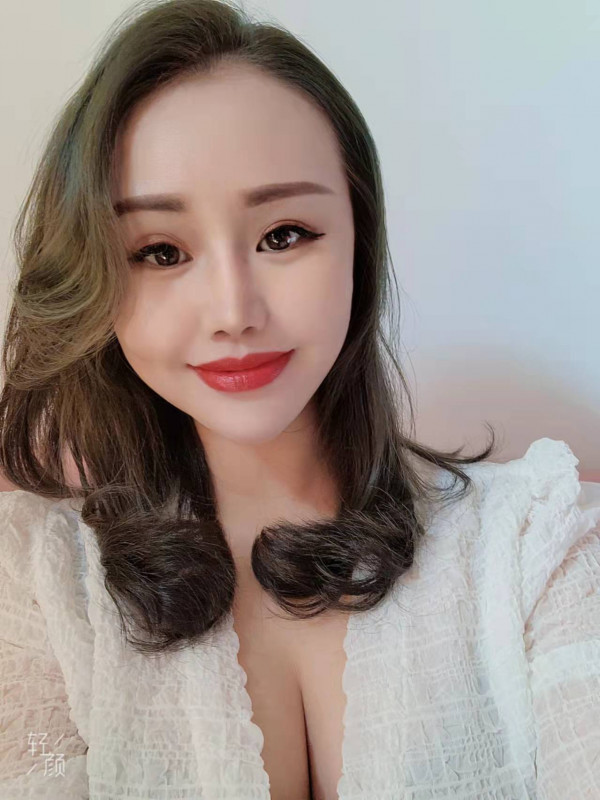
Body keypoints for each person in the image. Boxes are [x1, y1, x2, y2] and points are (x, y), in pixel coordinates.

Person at [1, 1, 599, 798]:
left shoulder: (533, 546)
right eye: (161, 251)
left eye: (283, 234)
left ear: (359, 238)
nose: (233, 311)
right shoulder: (38, 588)